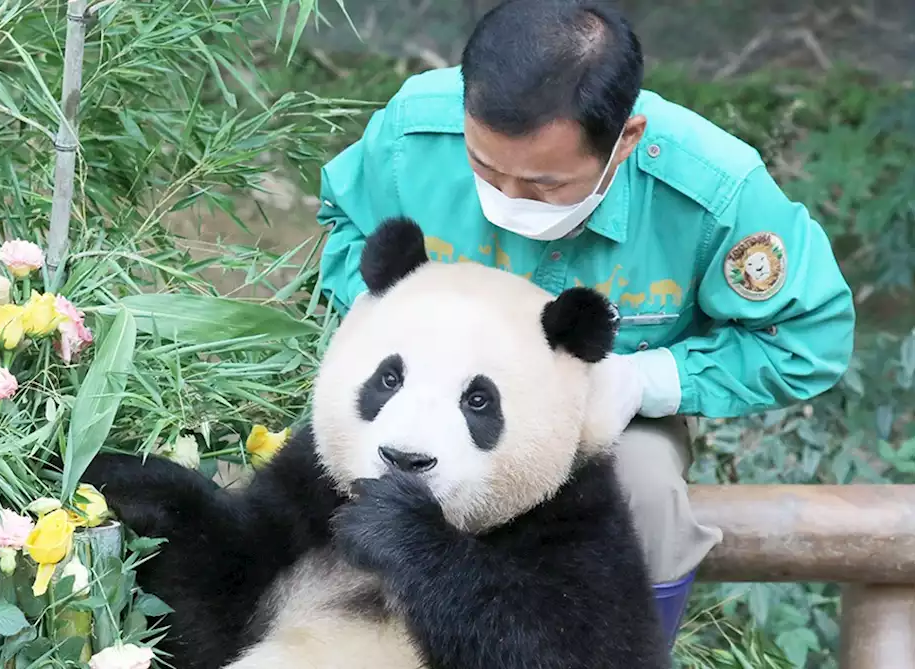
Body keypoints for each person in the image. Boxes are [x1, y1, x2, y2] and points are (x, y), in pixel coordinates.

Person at [313, 0, 856, 646]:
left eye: (542, 186)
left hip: (602, 416)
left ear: (624, 139)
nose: (507, 200)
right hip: (426, 381)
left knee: (647, 501)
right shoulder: (413, 134)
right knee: (323, 456)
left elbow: (808, 336)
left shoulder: (713, 192)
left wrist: (652, 379)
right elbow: (345, 227)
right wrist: (395, 313)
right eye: (485, 169)